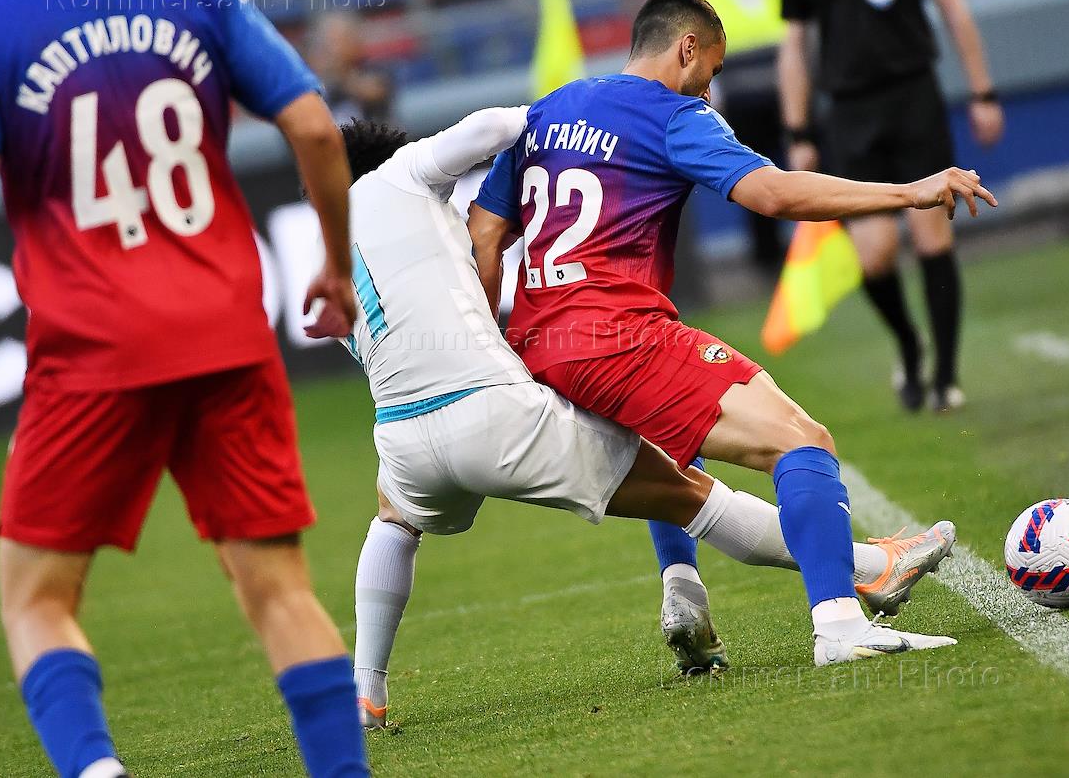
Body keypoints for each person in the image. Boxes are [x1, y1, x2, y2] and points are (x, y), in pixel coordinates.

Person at [314, 107, 958, 729]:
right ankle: (866, 570)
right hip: (494, 412)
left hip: (403, 438)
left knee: (394, 523)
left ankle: (365, 691)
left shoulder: (331, 256)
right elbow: (492, 127)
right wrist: (569, 112)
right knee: (686, 491)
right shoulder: (402, 173)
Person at [0, 0, 365, 775]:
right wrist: (334, 263)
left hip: (91, 348)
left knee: (36, 600)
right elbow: (317, 129)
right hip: (226, 333)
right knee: (280, 590)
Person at [466, 0, 995, 674]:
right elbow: (771, 193)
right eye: (711, 70)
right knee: (802, 440)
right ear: (687, 48)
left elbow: (484, 234)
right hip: (618, 337)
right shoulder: (674, 115)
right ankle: (840, 624)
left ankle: (683, 588)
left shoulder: (548, 110)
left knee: (671, 447)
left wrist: (491, 348)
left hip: (539, 349)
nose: (710, 90)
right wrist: (906, 192)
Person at [778, 0, 1005, 413]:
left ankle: (945, 377)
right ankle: (908, 342)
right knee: (873, 254)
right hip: (849, 115)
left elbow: (953, 7)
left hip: (913, 102)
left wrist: (983, 92)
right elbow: (794, 47)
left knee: (932, 238)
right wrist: (798, 130)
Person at [691, 0, 788, 272]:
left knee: (810, 165)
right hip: (742, 101)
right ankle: (768, 258)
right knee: (754, 175)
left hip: (789, 92)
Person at [308, 12, 394, 126]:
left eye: (339, 40)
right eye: (329, 41)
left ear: (356, 40)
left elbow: (374, 92)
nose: (333, 48)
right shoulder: (321, 78)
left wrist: (340, 72)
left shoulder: (375, 67)